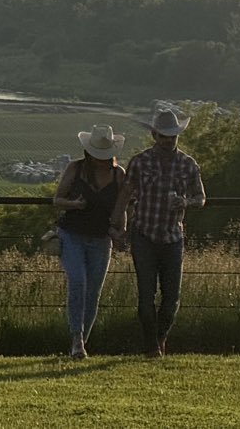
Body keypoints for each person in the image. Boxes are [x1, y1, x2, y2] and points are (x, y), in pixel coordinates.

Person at [110, 109, 206, 358]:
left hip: (173, 237)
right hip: (144, 235)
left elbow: (201, 197)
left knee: (172, 297)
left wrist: (185, 202)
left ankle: (160, 337)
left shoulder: (188, 164)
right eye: (164, 136)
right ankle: (152, 345)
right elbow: (125, 195)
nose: (168, 141)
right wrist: (118, 227)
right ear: (154, 135)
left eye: (172, 137)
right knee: (146, 294)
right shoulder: (140, 162)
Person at [52, 125, 127, 360]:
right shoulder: (75, 169)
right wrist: (75, 204)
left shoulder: (119, 174)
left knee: (93, 291)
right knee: (77, 282)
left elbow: (121, 207)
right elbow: (58, 199)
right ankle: (77, 338)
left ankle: (82, 342)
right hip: (72, 234)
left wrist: (120, 231)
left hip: (101, 238)